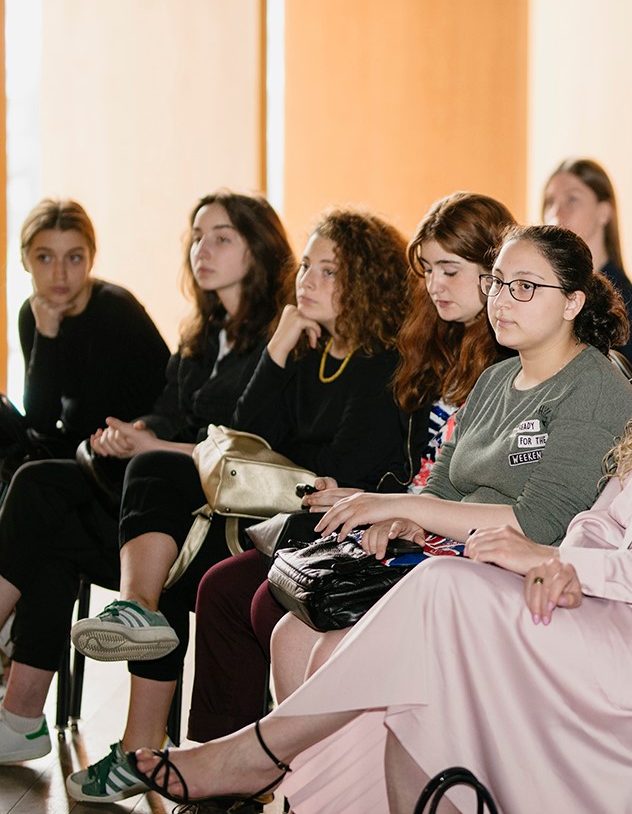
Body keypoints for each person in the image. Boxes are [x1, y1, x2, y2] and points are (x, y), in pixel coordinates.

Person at [123, 231, 632, 814]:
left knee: (443, 598)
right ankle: (279, 763)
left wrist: (561, 564)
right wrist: (566, 565)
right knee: (432, 661)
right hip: (610, 618)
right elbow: (602, 523)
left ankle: (255, 754)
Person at [63, 207, 411, 804]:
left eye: (329, 271)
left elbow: (345, 472)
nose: (308, 280)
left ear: (368, 283)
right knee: (161, 502)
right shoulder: (309, 350)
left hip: (326, 528)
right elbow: (247, 436)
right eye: (307, 266)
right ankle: (154, 690)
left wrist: (286, 463)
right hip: (271, 515)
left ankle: (205, 772)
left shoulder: (379, 364)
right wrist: (276, 350)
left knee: (202, 561)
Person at [185, 192, 516, 745]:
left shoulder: (499, 356)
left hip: (432, 535)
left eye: (449, 270)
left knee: (266, 596)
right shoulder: (432, 345)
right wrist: (280, 346)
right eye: (428, 269)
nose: (433, 285)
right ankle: (231, 769)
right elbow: (248, 434)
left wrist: (378, 501)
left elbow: (475, 485)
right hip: (391, 514)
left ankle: (292, 768)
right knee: (224, 586)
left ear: (495, 272)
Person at [269, 223, 632, 698]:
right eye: (497, 282)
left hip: (523, 578)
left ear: (572, 303)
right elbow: (441, 487)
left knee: (333, 651)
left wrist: (398, 505)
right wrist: (407, 522)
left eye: (525, 287)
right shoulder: (495, 379)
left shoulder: (593, 388)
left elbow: (537, 525)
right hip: (450, 557)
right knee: (291, 636)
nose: (501, 300)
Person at [0, 191, 293, 770]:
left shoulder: (276, 342)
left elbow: (247, 449)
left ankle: (126, 730)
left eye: (221, 238)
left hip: (211, 518)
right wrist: (139, 432)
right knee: (43, 505)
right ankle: (20, 719)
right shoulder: (203, 334)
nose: (201, 250)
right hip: (150, 499)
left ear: (258, 250)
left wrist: (150, 445)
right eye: (197, 237)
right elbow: (165, 410)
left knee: (48, 491)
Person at [7, 198, 169, 470]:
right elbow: (40, 420)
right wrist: (46, 334)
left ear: (91, 259)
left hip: (130, 452)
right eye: (45, 257)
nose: (59, 274)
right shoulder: (33, 313)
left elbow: (88, 418)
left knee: (28, 472)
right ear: (25, 259)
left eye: (74, 258)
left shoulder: (115, 309)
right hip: (84, 446)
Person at [543, 157, 632, 371]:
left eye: (572, 199)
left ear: (604, 212)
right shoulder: (544, 295)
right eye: (550, 201)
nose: (556, 212)